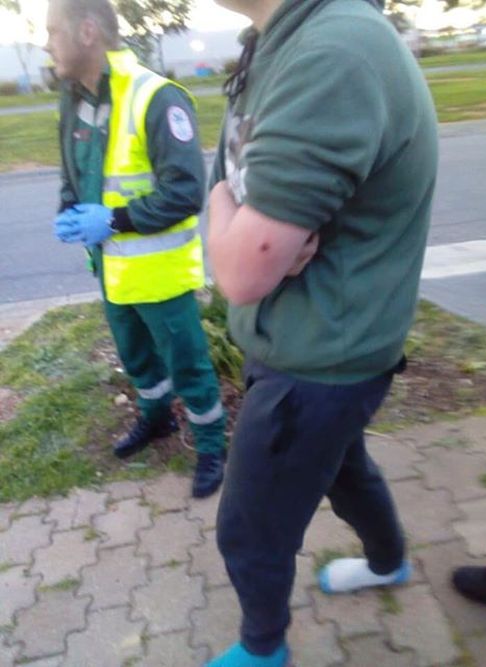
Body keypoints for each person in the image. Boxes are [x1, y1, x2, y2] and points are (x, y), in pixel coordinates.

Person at [207, 0, 438, 664]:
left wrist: (227, 216)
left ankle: (262, 648)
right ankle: (389, 560)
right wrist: (233, 212)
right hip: (321, 342)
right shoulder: (279, 40)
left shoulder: (331, 55)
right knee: (343, 467)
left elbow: (239, 269)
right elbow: (228, 181)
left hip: (317, 360)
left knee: (251, 526)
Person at [46, 0, 226, 499]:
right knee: (137, 358)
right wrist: (69, 207)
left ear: (86, 32)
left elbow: (186, 193)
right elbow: (74, 168)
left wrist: (113, 220)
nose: (47, 44)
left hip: (159, 273)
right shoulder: (73, 96)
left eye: (52, 32)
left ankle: (212, 444)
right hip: (110, 267)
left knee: (186, 362)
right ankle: (157, 419)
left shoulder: (157, 97)